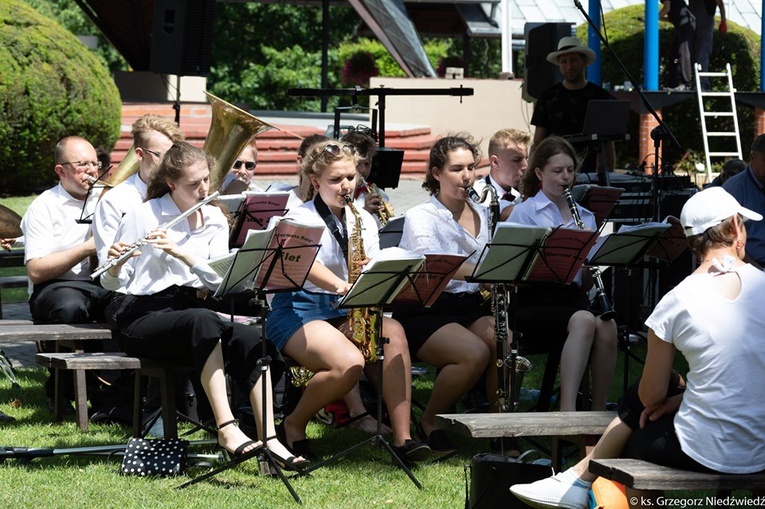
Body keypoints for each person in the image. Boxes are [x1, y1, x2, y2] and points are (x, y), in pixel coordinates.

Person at [510, 187, 765, 509]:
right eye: (743, 222)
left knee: (638, 431)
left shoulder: (676, 301)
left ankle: (578, 479)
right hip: (761, 447)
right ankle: (575, 479)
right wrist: (681, 397)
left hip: (707, 449)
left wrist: (676, 397)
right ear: (733, 226)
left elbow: (650, 398)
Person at [100, 142, 305, 468]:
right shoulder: (144, 214)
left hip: (191, 309)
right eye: (193, 184)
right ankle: (226, 429)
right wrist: (113, 265)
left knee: (253, 339)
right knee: (203, 321)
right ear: (172, 185)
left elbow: (217, 282)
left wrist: (182, 253)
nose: (204, 189)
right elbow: (112, 284)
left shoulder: (214, 218)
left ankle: (270, 440)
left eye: (206, 180)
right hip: (140, 312)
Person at [265, 140, 430, 464]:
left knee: (393, 332)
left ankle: (402, 438)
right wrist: (342, 284)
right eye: (336, 180)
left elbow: (372, 261)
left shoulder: (362, 218)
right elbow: (303, 264)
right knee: (349, 362)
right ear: (315, 181)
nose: (346, 186)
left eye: (351, 178)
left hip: (345, 306)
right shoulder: (298, 215)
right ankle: (294, 425)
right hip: (298, 308)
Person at [392, 135, 497, 453]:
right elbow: (435, 266)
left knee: (503, 341)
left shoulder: (483, 211)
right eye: (456, 169)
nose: (467, 176)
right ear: (436, 173)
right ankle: (429, 421)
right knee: (475, 353)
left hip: (470, 304)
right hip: (427, 307)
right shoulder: (422, 216)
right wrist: (488, 272)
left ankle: (499, 426)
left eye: (471, 168)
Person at [507, 137, 617, 411]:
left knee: (607, 326)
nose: (566, 177)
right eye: (557, 171)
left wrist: (589, 265)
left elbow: (585, 283)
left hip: (571, 298)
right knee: (583, 320)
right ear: (540, 173)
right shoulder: (524, 213)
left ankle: (597, 411)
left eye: (570, 170)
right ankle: (567, 412)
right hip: (533, 299)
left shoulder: (586, 217)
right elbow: (511, 269)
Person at [21, 136, 114, 410]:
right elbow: (36, 270)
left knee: (132, 306)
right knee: (70, 306)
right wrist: (86, 248)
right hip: (54, 288)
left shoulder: (108, 199)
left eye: (94, 164)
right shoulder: (43, 206)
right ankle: (61, 388)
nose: (92, 171)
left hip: (102, 284)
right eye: (82, 165)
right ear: (61, 171)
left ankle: (115, 391)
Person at [93, 114, 184, 265]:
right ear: (140, 154)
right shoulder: (114, 201)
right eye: (162, 156)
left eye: (174, 156)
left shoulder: (183, 194)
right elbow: (106, 263)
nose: (170, 163)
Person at [531, 36, 616, 173]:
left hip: (591, 174)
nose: (569, 66)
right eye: (564, 62)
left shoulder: (600, 96)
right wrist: (533, 175)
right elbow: (538, 142)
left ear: (584, 61)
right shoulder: (547, 97)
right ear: (559, 65)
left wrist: (608, 177)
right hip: (555, 174)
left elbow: (607, 143)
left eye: (573, 60)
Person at [470, 128, 531, 220]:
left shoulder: (519, 196)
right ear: (495, 162)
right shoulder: (477, 193)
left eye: (526, 158)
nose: (525, 166)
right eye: (517, 160)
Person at [724, 134, 765, 267]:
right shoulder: (734, 188)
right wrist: (757, 272)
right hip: (748, 268)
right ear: (753, 158)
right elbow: (725, 243)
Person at [342, 128, 394, 228]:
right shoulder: (338, 195)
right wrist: (366, 212)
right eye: (358, 163)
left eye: (367, 164)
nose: (363, 170)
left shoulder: (379, 194)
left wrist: (388, 221)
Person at [689, 0, 726, 91]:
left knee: (702, 54)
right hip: (693, 26)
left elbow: (720, 4)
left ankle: (703, 83)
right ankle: (696, 82)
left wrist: (723, 21)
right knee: (692, 54)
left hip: (705, 27)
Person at [661, 0, 697, 91]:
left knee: (683, 51)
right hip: (682, 25)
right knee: (673, 55)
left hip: (685, 24)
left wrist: (652, 17)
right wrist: (659, 18)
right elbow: (672, 16)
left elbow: (666, 8)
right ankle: (673, 83)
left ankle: (686, 83)